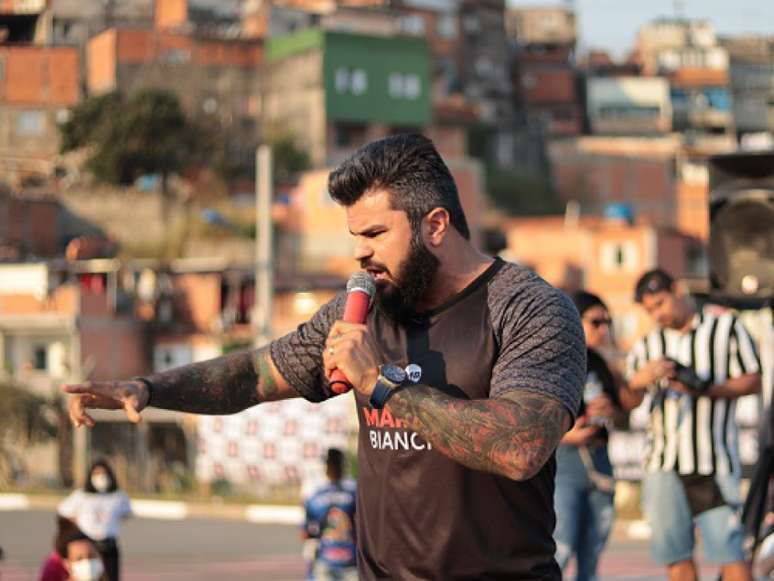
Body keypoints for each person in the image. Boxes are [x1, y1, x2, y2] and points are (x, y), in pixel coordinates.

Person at [64, 133, 586, 579]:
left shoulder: (527, 307)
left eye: (376, 234)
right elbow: (253, 374)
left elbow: (521, 446)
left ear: (435, 225)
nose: (360, 252)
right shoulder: (363, 308)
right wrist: (150, 388)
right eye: (355, 236)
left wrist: (382, 386)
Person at [626, 269, 762, 581]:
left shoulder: (724, 327)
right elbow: (628, 400)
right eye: (649, 310)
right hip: (661, 462)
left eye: (660, 304)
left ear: (678, 290)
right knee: (676, 557)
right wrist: (639, 381)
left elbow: (752, 379)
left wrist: (706, 388)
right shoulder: (648, 344)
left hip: (711, 462)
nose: (657, 314)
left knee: (731, 553)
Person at [554, 291, 633, 580]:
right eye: (596, 321)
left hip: (600, 457)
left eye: (607, 322)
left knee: (593, 549)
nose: (603, 329)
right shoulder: (552, 358)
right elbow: (530, 416)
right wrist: (565, 434)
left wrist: (612, 410)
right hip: (565, 460)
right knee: (560, 546)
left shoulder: (600, 362)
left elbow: (625, 411)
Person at [58, 459, 131, 581]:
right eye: (97, 474)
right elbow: (63, 510)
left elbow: (127, 512)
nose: (101, 477)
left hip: (109, 546)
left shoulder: (118, 496)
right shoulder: (82, 495)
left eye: (104, 473)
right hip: (89, 546)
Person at [302, 448, 357, 581]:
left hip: (337, 561)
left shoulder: (315, 495)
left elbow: (307, 534)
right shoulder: (355, 492)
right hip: (343, 562)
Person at [39, 517, 105, 581]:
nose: (87, 563)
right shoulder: (52, 564)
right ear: (67, 564)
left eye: (91, 556)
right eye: (79, 559)